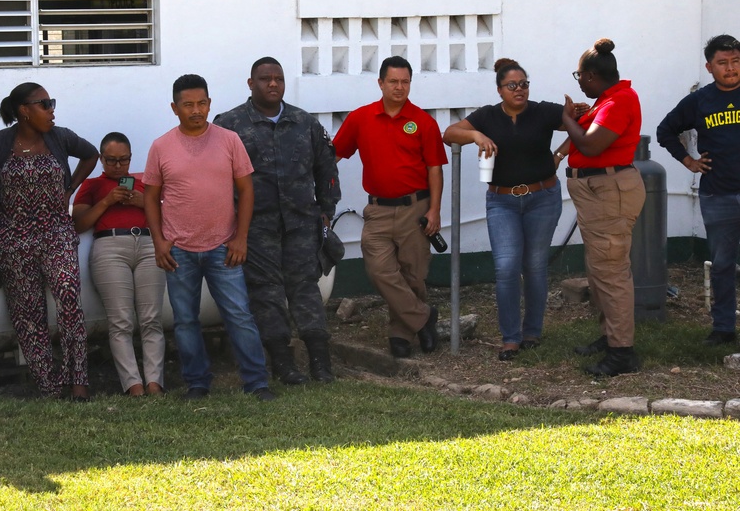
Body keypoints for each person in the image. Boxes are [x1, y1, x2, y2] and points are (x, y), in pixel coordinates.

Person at [143, 74, 275, 401]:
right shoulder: (161, 146)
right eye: (188, 104)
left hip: (223, 246)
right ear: (174, 108)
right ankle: (197, 384)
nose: (196, 110)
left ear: (210, 104)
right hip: (178, 250)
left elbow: (246, 191)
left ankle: (257, 382)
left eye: (202, 103)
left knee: (239, 314)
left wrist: (240, 238)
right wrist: (159, 241)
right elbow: (149, 197)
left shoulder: (229, 140)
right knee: (186, 320)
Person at [214, 57, 341, 384]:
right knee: (266, 294)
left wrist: (327, 209)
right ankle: (283, 365)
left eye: (278, 79)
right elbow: (216, 178)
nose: (273, 84)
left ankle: (320, 364)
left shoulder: (305, 123)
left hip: (301, 224)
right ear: (250, 83)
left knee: (306, 290)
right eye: (265, 78)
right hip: (255, 228)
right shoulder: (228, 125)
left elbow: (326, 169)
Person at [443, 58, 567, 361]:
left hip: (543, 198)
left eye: (524, 84)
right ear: (500, 90)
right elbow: (448, 133)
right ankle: (510, 338)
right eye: (512, 85)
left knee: (535, 266)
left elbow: (585, 125)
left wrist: (560, 153)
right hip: (502, 201)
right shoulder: (487, 117)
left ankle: (532, 333)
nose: (520, 89)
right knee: (506, 267)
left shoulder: (543, 111)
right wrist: (475, 135)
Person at [0, 83, 99, 401]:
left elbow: (91, 154)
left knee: (68, 300)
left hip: (56, 232)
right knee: (28, 312)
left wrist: (70, 189)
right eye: (45, 104)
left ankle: (78, 380)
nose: (52, 110)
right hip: (12, 237)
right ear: (24, 111)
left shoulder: (59, 137)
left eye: (51, 103)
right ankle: (47, 385)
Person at [331, 56, 444, 359]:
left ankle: (401, 335)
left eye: (405, 82)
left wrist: (434, 210)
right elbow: (334, 155)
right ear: (380, 83)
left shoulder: (423, 122)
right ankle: (423, 318)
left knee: (413, 273)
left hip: (415, 208)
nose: (399, 87)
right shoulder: (360, 118)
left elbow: (435, 168)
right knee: (379, 269)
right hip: (378, 210)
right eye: (393, 81)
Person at [562, 38, 645, 377]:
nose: (578, 82)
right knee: (600, 270)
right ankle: (611, 336)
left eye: (578, 76)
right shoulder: (607, 101)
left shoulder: (619, 101)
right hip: (598, 192)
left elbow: (592, 145)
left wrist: (564, 117)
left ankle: (622, 352)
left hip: (608, 191)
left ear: (592, 76)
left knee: (610, 272)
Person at [657, 34, 740, 346]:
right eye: (723, 63)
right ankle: (723, 329)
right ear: (710, 67)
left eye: (735, 61)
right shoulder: (699, 101)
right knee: (721, 265)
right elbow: (665, 130)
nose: (730, 68)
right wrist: (688, 160)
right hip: (717, 195)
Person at [72, 132, 166, 397]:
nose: (118, 166)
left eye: (123, 160)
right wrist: (107, 201)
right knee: (121, 320)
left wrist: (143, 202)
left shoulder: (146, 183)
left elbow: (169, 215)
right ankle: (133, 384)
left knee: (151, 318)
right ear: (101, 159)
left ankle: (155, 382)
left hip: (148, 244)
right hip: (110, 247)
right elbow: (79, 225)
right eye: (111, 160)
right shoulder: (91, 185)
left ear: (131, 158)